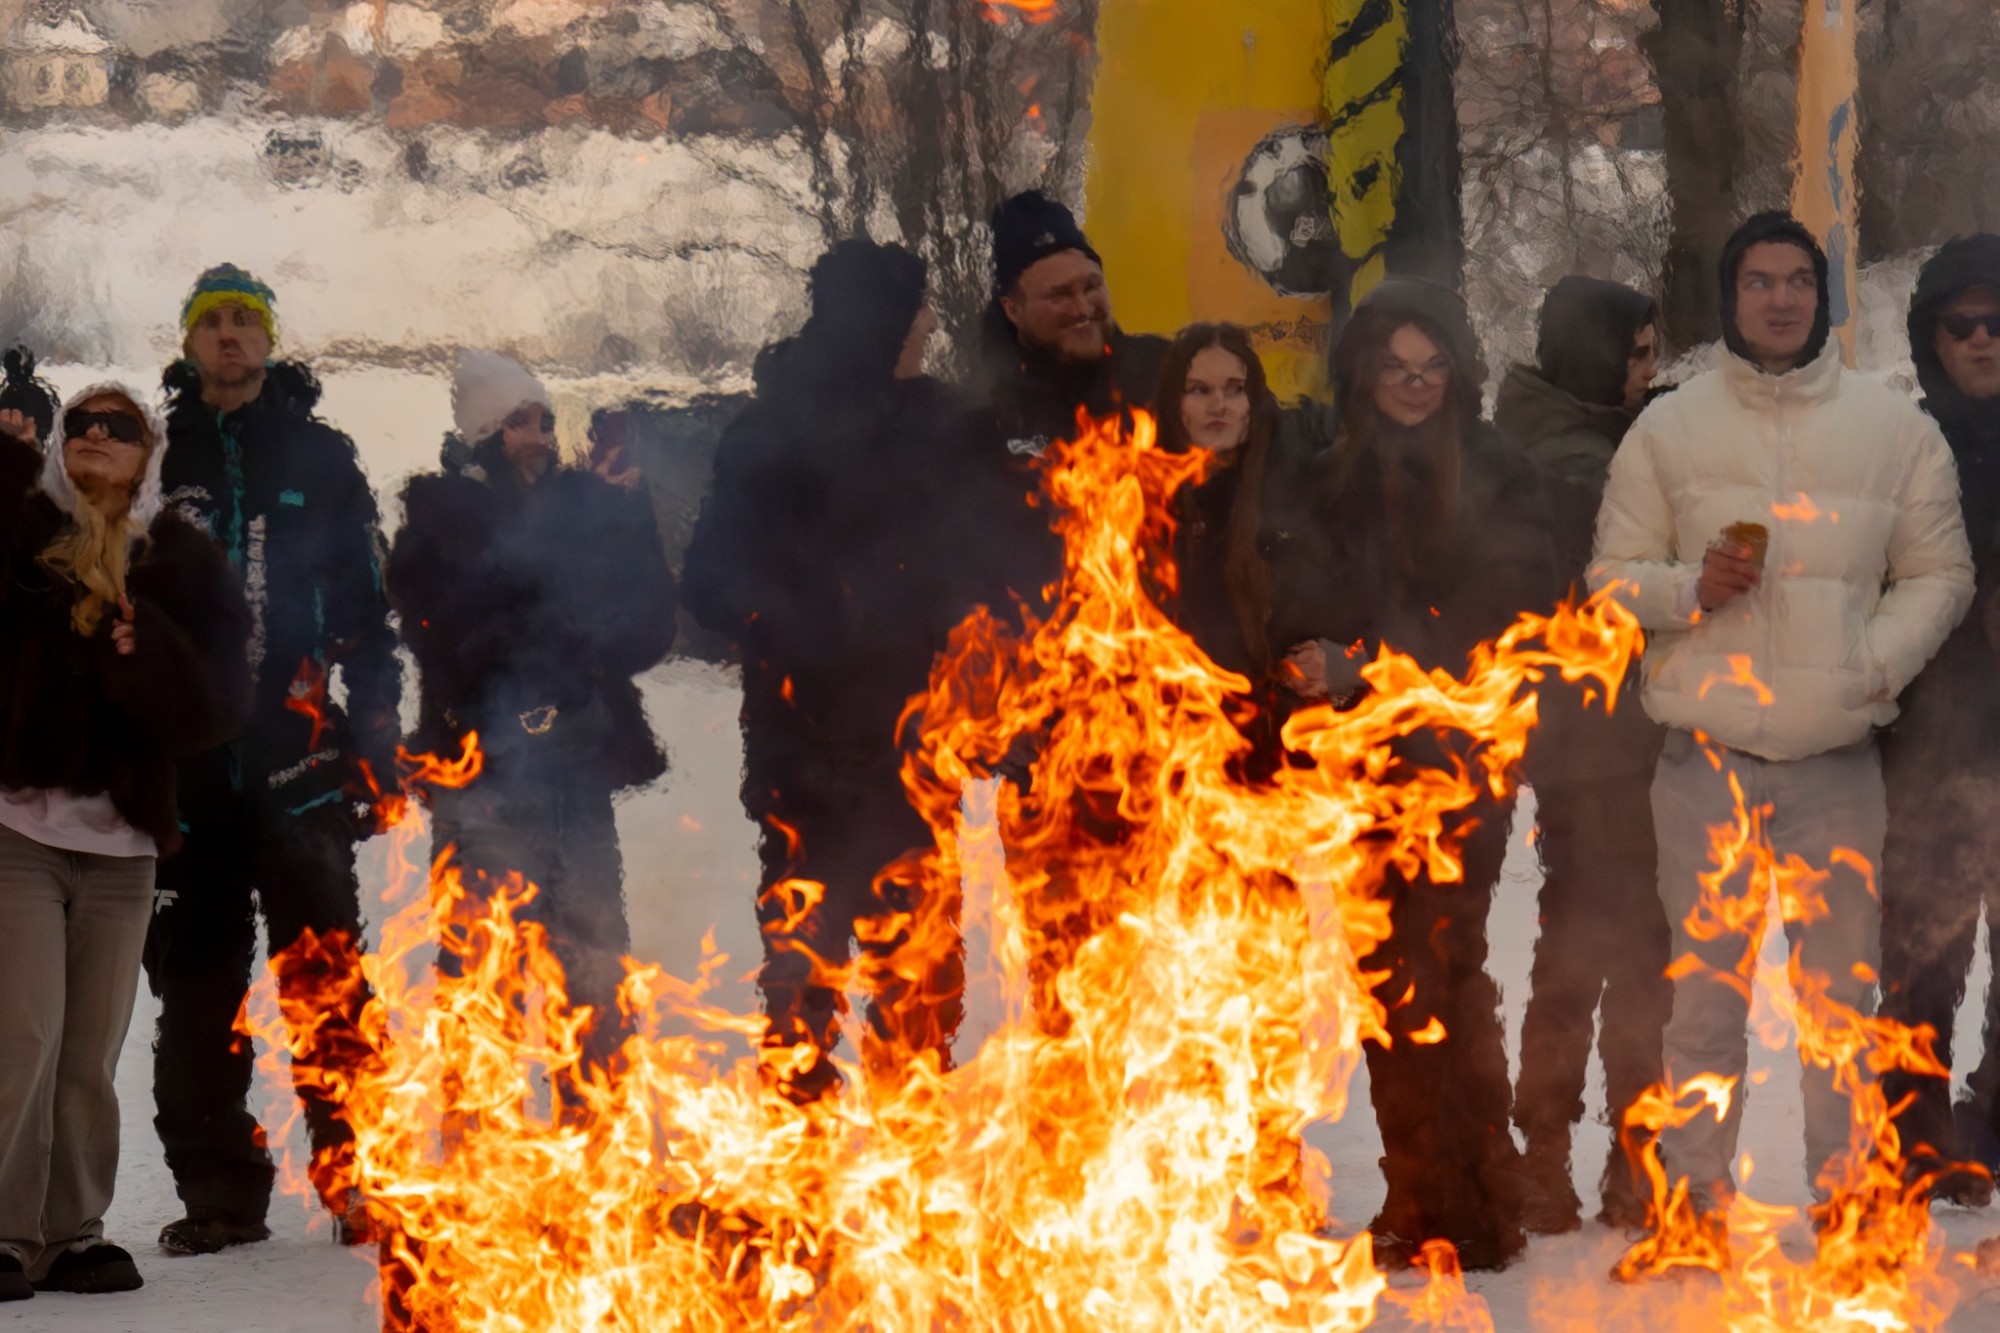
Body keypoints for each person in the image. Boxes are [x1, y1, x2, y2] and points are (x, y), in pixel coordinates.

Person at [1591, 213, 1974, 1242]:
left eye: (1797, 280)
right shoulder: (1668, 428)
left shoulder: (1890, 428)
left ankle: (1845, 1201)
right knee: (1703, 1003)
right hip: (1703, 760)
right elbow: (1610, 578)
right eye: (1758, 280)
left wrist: (1870, 664)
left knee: (1838, 1004)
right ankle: (1693, 1208)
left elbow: (1939, 573)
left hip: (1833, 760)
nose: (1778, 298)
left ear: (1822, 296)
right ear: (1730, 296)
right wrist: (1687, 589)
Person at [1273, 279, 1561, 1271]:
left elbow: (1509, 612)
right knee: (1388, 977)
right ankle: (1422, 1192)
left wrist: (1372, 663)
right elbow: (1294, 595)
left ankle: (1474, 1202)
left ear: (1458, 372)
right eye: (1394, 367)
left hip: (1462, 759)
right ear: (1360, 373)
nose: (1414, 383)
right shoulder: (1324, 476)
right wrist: (1308, 658)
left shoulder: (1498, 471)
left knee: (1445, 966)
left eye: (1432, 366)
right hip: (1358, 761)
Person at [684, 240, 990, 1103]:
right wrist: (806, 619)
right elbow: (707, 585)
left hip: (912, 749)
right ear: (878, 322)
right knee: (802, 981)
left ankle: (910, 1156)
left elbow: (976, 561)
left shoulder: (939, 430)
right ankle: (802, 1155)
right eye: (915, 310)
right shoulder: (767, 438)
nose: (930, 324)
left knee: (918, 983)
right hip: (803, 754)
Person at [144, 264, 402, 1254]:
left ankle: (355, 1174)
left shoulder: (321, 455)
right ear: (189, 340)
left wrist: (376, 739)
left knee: (328, 980)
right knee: (196, 990)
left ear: (268, 337)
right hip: (188, 772)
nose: (229, 335)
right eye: (211, 321)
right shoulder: (160, 454)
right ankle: (220, 1190)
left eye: (245, 319)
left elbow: (368, 615)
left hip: (297, 758)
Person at [0, 382, 249, 1300]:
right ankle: (5, 1232)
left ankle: (73, 1234)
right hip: (16, 830)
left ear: (149, 453)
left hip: (123, 847)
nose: (97, 436)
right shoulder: (20, 537)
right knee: (23, 1034)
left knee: (89, 1053)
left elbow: (219, 707)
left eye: (120, 427)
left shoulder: (177, 560)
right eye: (81, 425)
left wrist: (152, 655)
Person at [386, 350, 677, 1079]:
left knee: (596, 981)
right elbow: (460, 639)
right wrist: (565, 554)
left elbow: (647, 634)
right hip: (481, 784)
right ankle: (479, 1145)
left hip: (575, 775)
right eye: (520, 423)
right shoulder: (434, 526)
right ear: (485, 433)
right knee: (484, 989)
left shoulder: (582, 516)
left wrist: (628, 520)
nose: (540, 438)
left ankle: (600, 1138)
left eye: (546, 422)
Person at [1496, 277, 1673, 1233]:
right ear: (1595, 357)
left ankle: (1566, 1150)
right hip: (1600, 740)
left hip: (1599, 739)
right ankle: (1589, 1154)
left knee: (1585, 941)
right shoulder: (1573, 461)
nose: (1648, 370)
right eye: (1635, 355)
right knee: (1614, 949)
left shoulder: (1567, 427)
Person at [1880, 233, 2000, 1206]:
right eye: (1960, 324)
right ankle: (1912, 1139)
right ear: (1930, 336)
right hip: (1931, 739)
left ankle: (1990, 1123)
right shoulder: (1901, 448)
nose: (1982, 340)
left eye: (1998, 322)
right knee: (1921, 954)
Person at [973, 191, 1171, 609]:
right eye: (1059, 295)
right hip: (1052, 635)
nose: (1082, 308)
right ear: (1012, 308)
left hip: (1173, 625)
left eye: (1092, 286)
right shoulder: (990, 414)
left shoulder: (1168, 372)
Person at [1154, 322, 1324, 779]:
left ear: (1254, 402)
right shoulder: (1138, 501)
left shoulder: (1295, 493)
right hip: (1174, 755)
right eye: (1200, 390)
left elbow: (1349, 611)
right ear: (1174, 403)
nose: (1219, 405)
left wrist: (1337, 661)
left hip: (1287, 755)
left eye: (1235, 389)